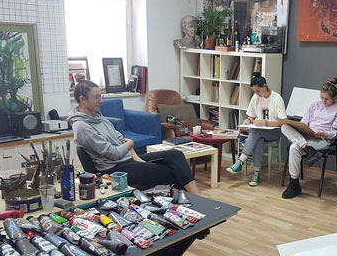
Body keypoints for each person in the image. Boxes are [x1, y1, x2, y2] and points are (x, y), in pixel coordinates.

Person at [70, 81, 199, 194]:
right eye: (96, 97)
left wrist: (134, 154)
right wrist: (130, 144)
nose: (101, 101)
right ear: (83, 99)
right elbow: (113, 153)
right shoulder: (81, 126)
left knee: (176, 155)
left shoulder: (98, 116)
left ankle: (194, 198)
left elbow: (119, 137)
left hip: (127, 159)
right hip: (114, 168)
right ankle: (192, 202)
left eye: (100, 96)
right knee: (174, 171)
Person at [281, 78, 337, 199]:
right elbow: (304, 123)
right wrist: (301, 128)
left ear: (334, 98)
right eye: (321, 97)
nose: (323, 101)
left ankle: (294, 184)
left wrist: (323, 133)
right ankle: (307, 148)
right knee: (284, 126)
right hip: (307, 136)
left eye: (326, 99)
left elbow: (336, 133)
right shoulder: (314, 105)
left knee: (294, 147)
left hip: (322, 140)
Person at [226, 72, 286, 186]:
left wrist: (265, 123)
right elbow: (252, 116)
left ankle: (240, 161)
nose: (257, 94)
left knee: (256, 132)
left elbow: (282, 122)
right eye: (254, 92)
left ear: (265, 86)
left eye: (258, 91)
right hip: (260, 132)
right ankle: (256, 174)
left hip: (274, 132)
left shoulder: (277, 98)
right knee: (258, 139)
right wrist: (248, 120)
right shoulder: (256, 97)